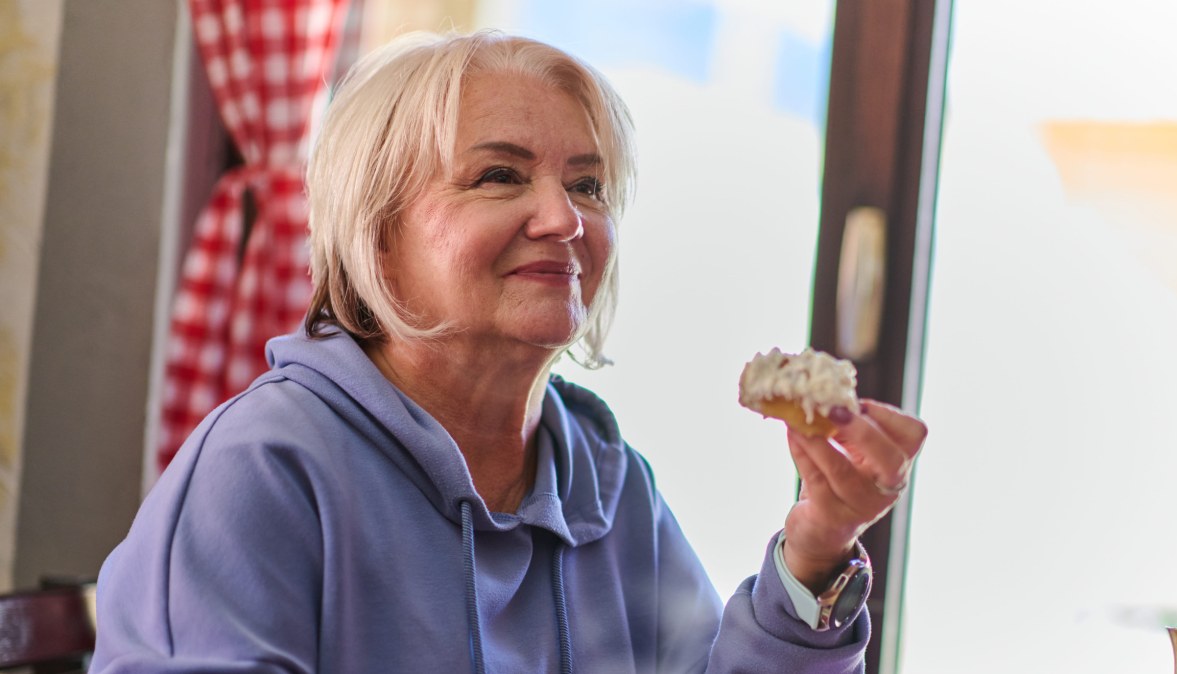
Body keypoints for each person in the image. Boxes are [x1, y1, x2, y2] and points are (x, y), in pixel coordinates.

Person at [89, 30, 927, 673]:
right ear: (376, 237)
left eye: (588, 185)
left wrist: (818, 547)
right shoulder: (262, 473)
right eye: (499, 176)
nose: (564, 219)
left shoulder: (604, 481)